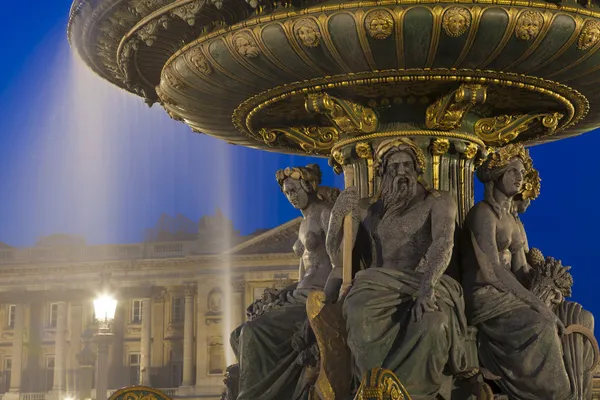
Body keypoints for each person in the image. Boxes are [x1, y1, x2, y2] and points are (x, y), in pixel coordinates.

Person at [327, 138, 469, 399]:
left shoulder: (438, 201)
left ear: (418, 169)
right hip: (375, 286)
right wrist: (337, 216)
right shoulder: (366, 209)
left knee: (433, 323)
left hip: (427, 280)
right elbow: (338, 258)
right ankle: (371, 389)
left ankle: (418, 395)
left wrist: (427, 288)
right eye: (393, 168)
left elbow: (444, 242)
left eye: (407, 165)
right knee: (358, 313)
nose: (401, 172)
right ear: (382, 173)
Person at [461, 144, 576, 399]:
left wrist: (547, 288)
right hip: (485, 294)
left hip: (506, 293)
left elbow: (520, 269)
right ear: (497, 174)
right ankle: (549, 391)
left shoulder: (513, 221)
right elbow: (492, 272)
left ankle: (562, 386)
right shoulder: (483, 214)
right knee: (541, 321)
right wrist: (537, 303)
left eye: (521, 172)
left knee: (566, 314)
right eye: (513, 171)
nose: (520, 177)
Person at [229, 164, 338, 400]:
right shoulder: (301, 224)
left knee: (252, 333)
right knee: (237, 334)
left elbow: (340, 264)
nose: (291, 196)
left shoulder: (326, 213)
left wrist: (325, 303)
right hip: (299, 294)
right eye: (287, 193)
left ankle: (253, 396)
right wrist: (282, 294)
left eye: (295, 190)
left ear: (308, 186)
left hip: (317, 296)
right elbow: (303, 274)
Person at [512, 165, 596, 400]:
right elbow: (500, 270)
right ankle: (561, 390)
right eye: (526, 196)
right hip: (513, 295)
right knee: (558, 323)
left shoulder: (517, 224)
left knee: (584, 317)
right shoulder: (490, 218)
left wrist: (549, 281)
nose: (527, 203)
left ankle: (579, 390)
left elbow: (525, 267)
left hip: (529, 289)